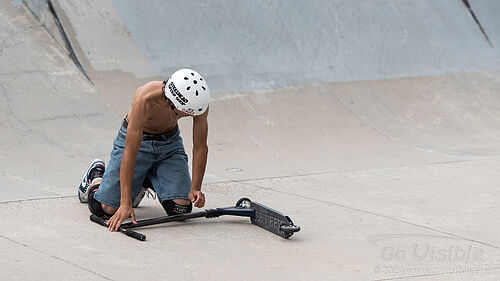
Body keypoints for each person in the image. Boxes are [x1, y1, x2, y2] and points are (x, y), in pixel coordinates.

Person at [77, 69, 210, 232]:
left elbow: (200, 146)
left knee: (180, 209)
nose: (188, 116)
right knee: (105, 209)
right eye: (185, 112)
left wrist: (196, 187)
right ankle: (96, 176)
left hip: (169, 144)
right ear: (172, 102)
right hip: (138, 144)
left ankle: (143, 179)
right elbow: (130, 152)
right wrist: (125, 204)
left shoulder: (198, 101)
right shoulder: (144, 98)